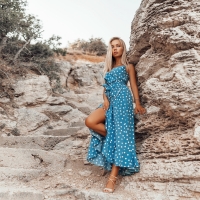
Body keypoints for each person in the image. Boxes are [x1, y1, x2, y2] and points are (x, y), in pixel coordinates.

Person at [85, 36, 146, 193]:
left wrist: (137, 103)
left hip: (123, 100)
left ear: (123, 48)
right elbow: (105, 88)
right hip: (109, 101)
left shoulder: (128, 66)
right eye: (112, 46)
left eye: (118, 46)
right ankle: (116, 139)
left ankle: (112, 179)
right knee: (90, 121)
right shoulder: (109, 68)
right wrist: (105, 99)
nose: (115, 49)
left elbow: (132, 85)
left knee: (121, 137)